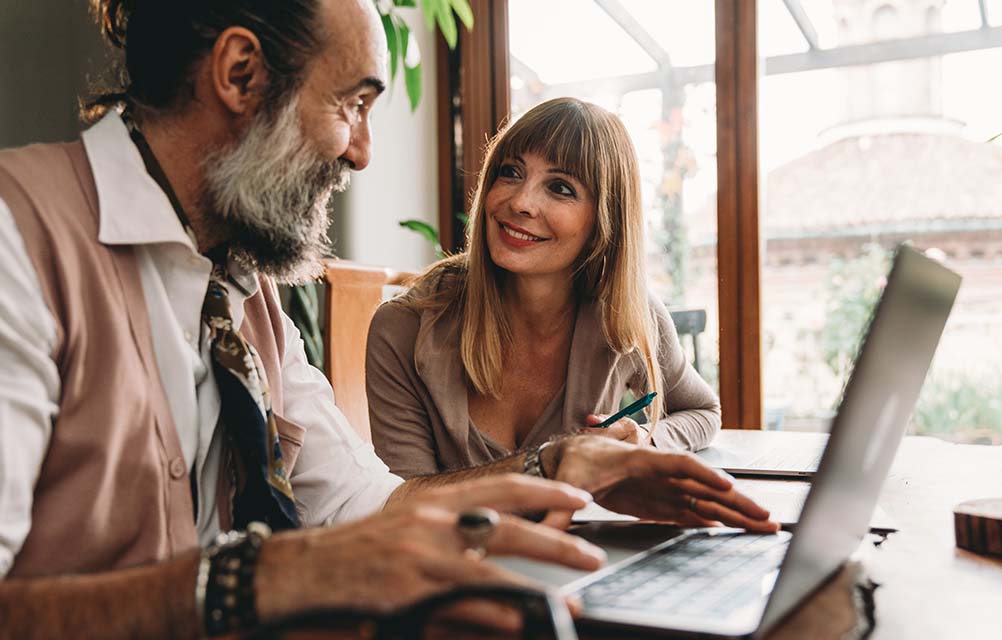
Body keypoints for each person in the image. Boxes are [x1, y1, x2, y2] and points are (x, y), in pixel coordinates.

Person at [0, 1, 777, 638]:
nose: (362, 152)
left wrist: (556, 467)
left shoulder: (246, 297)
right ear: (240, 75)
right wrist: (270, 578)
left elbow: (372, 503)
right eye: (351, 105)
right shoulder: (18, 237)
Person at [367, 97, 721, 479]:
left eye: (560, 188)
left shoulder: (627, 314)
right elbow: (406, 504)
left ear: (606, 221)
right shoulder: (404, 328)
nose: (521, 201)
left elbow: (703, 412)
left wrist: (644, 438)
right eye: (511, 172)